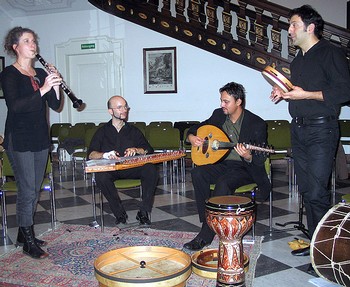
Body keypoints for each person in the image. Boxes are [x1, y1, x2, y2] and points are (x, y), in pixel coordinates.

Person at [270, 5, 350, 260]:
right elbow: (299, 91)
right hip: (299, 129)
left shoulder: (331, 53)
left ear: (310, 27)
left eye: (293, 25)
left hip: (321, 129)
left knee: (317, 192)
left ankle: (326, 251)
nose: (289, 30)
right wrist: (283, 93)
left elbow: (345, 92)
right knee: (306, 190)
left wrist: (306, 94)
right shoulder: (299, 60)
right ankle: (318, 243)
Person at [183, 82, 271, 251]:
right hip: (223, 163)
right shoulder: (218, 115)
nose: (222, 105)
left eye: (226, 101)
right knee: (197, 173)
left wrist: (248, 155)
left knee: (224, 183)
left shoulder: (256, 123)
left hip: (245, 168)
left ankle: (206, 234)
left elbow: (260, 160)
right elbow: (198, 127)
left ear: (239, 102)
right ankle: (208, 220)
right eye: (221, 100)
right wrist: (192, 137)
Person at [0, 27, 62, 259]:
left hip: (39, 138)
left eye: (34, 40)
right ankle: (28, 241)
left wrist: (54, 83)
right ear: (15, 47)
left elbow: (55, 105)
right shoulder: (9, 74)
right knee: (27, 191)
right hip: (20, 139)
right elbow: (15, 106)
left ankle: (23, 234)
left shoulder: (39, 73)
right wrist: (44, 88)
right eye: (27, 41)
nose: (33, 44)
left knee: (35, 189)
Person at [87, 96, 158, 226]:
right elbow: (91, 154)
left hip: (131, 168)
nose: (124, 110)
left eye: (125, 106)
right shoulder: (102, 132)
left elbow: (148, 149)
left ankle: (143, 212)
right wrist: (105, 155)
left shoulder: (134, 131)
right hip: (111, 169)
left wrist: (137, 149)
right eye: (119, 107)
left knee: (150, 169)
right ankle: (119, 214)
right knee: (100, 177)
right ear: (110, 111)